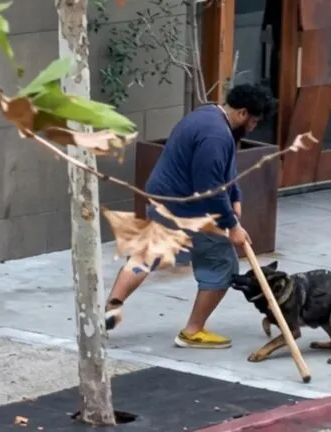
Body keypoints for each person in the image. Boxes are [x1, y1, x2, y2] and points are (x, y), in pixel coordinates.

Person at [104, 83, 276, 349]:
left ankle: (110, 308)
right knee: (222, 266)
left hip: (163, 197)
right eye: (254, 121)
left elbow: (225, 169)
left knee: (146, 254)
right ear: (242, 113)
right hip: (190, 209)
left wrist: (236, 196)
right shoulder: (217, 136)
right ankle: (192, 332)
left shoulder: (208, 115)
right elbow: (209, 189)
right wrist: (232, 226)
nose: (253, 127)